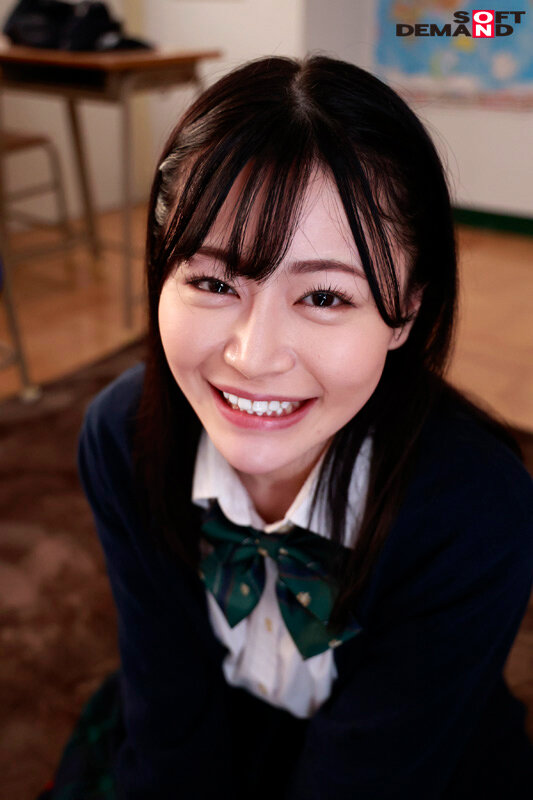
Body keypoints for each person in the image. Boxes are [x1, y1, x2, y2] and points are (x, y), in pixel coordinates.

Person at [41, 54, 533, 800]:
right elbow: (168, 697)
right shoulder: (121, 437)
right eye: (213, 282)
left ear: (407, 312)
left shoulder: (479, 511)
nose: (253, 356)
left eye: (325, 297)